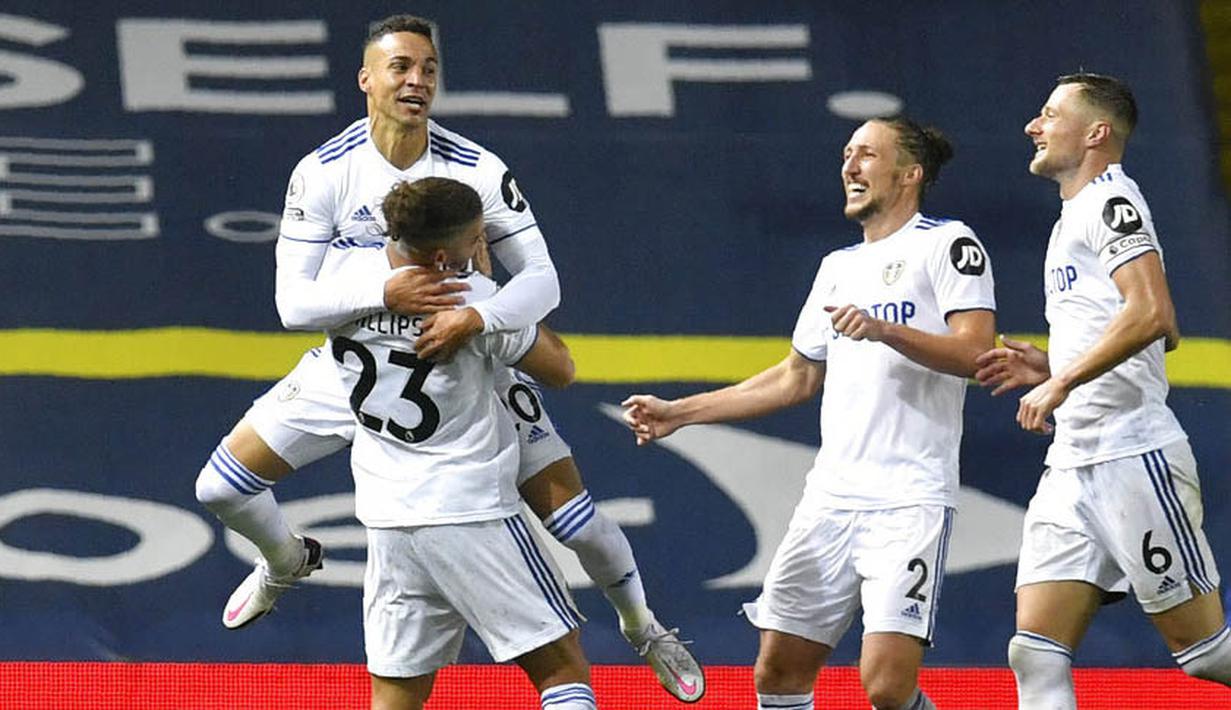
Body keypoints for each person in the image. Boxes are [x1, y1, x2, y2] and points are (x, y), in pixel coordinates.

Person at [192, 14, 703, 701]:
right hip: (348, 368)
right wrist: (387, 291)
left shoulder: (477, 170)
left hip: (471, 359)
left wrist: (475, 316)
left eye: (428, 68)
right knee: (220, 488)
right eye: (400, 66)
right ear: (365, 79)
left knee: (577, 521)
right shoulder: (323, 172)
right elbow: (292, 305)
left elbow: (542, 282)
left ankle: (642, 626)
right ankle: (284, 560)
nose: (417, 80)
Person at [623, 117, 996, 710]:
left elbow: (978, 354)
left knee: (887, 685)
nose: (849, 166)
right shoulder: (837, 266)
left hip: (909, 498)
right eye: (847, 153)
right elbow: (796, 376)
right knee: (777, 673)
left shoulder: (947, 243)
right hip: (831, 499)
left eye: (867, 155)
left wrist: (883, 330)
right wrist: (681, 412)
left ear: (910, 173)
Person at [975, 72, 1230, 709]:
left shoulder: (1111, 202)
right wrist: (1053, 362)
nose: (1034, 126)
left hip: (1132, 454)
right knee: (1033, 652)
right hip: (1073, 462)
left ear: (1096, 133)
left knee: (1207, 657)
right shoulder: (1072, 217)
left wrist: (1062, 379)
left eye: (1049, 113)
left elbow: (1154, 314)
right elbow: (1146, 331)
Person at [329, 176, 590, 710]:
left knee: (397, 694)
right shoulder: (470, 300)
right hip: (471, 511)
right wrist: (492, 302)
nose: (484, 245)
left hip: (387, 519)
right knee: (562, 668)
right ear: (447, 254)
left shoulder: (344, 280)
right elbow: (561, 367)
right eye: (478, 238)